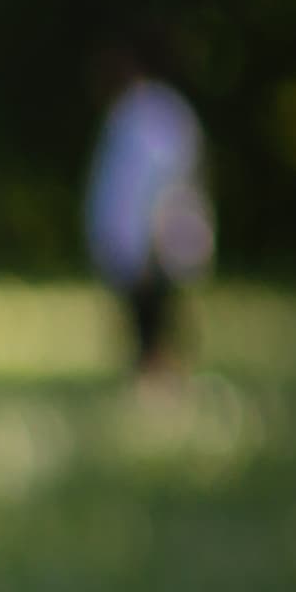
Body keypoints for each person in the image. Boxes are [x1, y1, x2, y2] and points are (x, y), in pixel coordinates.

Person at [84, 39, 212, 385]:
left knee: (156, 318)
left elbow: (163, 183)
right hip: (141, 241)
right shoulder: (136, 115)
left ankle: (162, 384)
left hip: (156, 240)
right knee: (143, 320)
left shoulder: (150, 116)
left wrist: (155, 237)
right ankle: (153, 384)